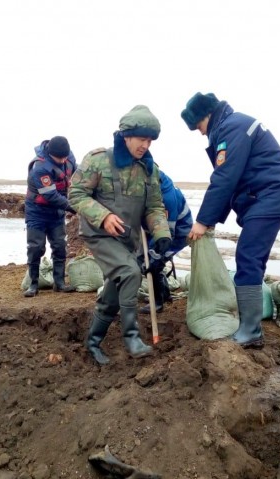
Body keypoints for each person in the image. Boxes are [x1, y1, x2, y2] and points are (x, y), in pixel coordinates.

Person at [181, 92, 280, 349]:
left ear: (207, 115)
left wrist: (202, 221)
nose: (201, 133)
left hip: (270, 195)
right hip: (267, 195)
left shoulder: (231, 128)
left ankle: (250, 331)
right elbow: (231, 180)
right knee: (253, 258)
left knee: (247, 256)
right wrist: (210, 221)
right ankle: (250, 327)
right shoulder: (234, 124)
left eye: (199, 126)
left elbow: (225, 178)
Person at [69, 105, 171, 366]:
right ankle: (131, 337)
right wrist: (103, 216)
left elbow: (154, 207)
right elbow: (76, 194)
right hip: (99, 234)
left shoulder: (150, 170)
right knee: (130, 273)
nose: (145, 146)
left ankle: (92, 343)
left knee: (114, 292)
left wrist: (161, 232)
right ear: (126, 136)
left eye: (150, 141)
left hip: (128, 239)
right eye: (142, 139)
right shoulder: (99, 160)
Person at [23, 136, 77, 297]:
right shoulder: (40, 167)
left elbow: (78, 176)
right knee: (36, 247)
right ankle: (33, 284)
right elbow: (50, 195)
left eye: (65, 157)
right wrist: (74, 207)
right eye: (59, 158)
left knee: (60, 246)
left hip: (56, 213)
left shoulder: (69, 159)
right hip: (37, 212)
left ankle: (59, 283)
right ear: (51, 154)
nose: (63, 160)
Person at [139, 170, 193, 314]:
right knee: (149, 259)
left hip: (178, 234)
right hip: (155, 229)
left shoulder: (166, 199)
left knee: (154, 262)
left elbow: (168, 232)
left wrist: (155, 255)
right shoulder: (148, 187)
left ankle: (157, 302)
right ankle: (165, 293)